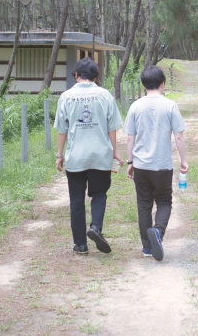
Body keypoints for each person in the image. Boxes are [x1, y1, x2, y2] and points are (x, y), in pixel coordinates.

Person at [54, 57, 123, 255]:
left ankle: (81, 245)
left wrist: (60, 155)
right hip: (101, 155)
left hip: (76, 157)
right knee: (99, 194)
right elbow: (112, 128)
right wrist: (114, 152)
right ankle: (95, 228)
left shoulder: (66, 97)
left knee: (76, 200)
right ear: (95, 77)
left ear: (76, 75)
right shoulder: (105, 95)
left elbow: (62, 130)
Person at [125, 65, 188, 261]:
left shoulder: (135, 106)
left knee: (143, 204)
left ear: (144, 85)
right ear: (163, 84)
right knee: (164, 201)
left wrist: (130, 161)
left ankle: (146, 247)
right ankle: (158, 232)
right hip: (162, 165)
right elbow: (178, 137)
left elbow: (129, 137)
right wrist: (184, 160)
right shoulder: (170, 105)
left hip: (141, 165)